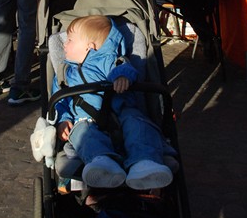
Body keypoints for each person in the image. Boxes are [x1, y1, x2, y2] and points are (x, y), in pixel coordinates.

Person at [53, 15, 173, 189]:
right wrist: (63, 120)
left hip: (122, 113)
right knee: (83, 134)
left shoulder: (109, 61)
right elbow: (59, 100)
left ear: (89, 46)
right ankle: (102, 162)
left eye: (70, 40)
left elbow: (124, 67)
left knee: (138, 124)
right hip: (86, 119)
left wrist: (123, 77)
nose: (64, 44)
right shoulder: (65, 73)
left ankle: (145, 163)